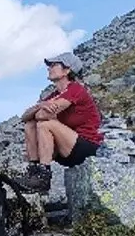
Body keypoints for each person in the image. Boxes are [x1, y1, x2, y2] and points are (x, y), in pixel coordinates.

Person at [13, 52, 103, 193]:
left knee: (44, 124)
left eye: (54, 65)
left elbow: (43, 115)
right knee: (30, 125)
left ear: (67, 70)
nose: (49, 68)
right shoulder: (54, 95)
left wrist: (41, 108)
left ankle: (43, 176)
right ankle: (34, 172)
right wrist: (40, 105)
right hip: (66, 148)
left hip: (86, 146)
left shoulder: (76, 89)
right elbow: (25, 117)